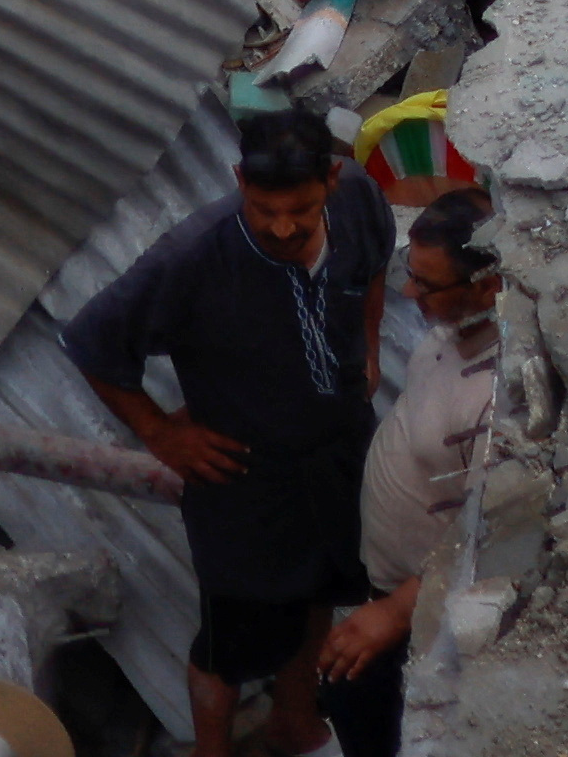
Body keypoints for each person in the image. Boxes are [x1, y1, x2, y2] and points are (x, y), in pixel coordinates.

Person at [68, 106, 396, 757]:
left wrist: (369, 342)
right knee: (228, 644)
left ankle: (294, 722)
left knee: (325, 589)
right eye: (262, 206)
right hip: (246, 480)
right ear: (238, 178)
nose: (281, 226)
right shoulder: (193, 256)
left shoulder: (358, 197)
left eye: (299, 209)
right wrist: (162, 434)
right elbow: (93, 342)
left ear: (329, 180)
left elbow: (378, 261)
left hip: (338, 447)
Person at [317, 193, 501, 757]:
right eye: (411, 275)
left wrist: (396, 613)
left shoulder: (496, 395)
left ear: (488, 285)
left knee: (373, 719)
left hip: (422, 612)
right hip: (385, 584)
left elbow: (486, 532)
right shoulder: (456, 326)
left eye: (427, 285)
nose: (407, 294)